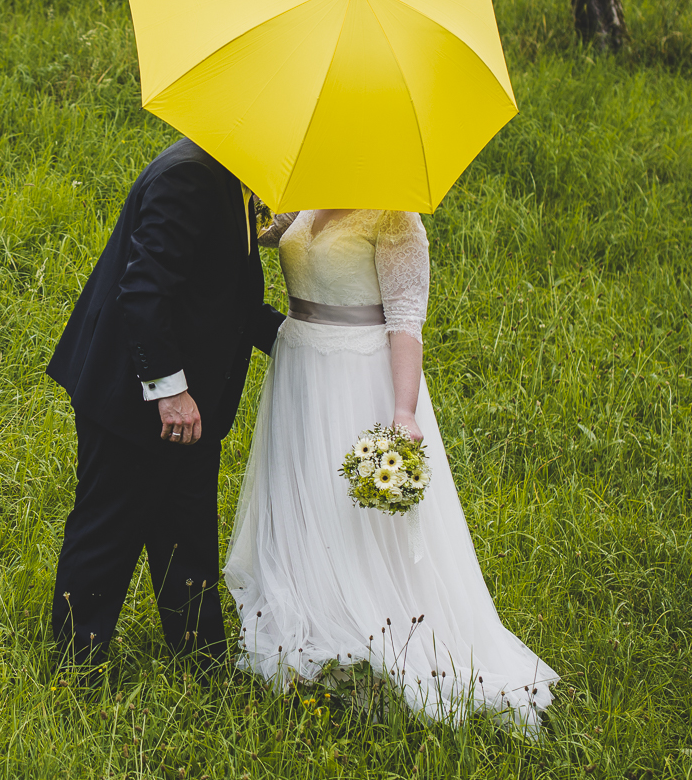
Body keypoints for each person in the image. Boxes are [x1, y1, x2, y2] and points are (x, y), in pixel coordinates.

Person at [224, 209, 556, 731]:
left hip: (358, 379)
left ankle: (374, 620)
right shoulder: (305, 201)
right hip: (299, 371)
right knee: (302, 493)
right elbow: (258, 229)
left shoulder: (396, 219)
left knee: (350, 506)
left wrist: (404, 411)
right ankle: (307, 602)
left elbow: (405, 322)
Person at [46, 137, 284, 668]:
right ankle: (73, 666)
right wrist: (170, 391)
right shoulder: (189, 176)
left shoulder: (230, 177)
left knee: (187, 527)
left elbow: (228, 298)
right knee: (109, 525)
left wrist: (306, 343)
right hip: (133, 396)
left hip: (194, 404)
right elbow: (145, 290)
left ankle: (201, 661)